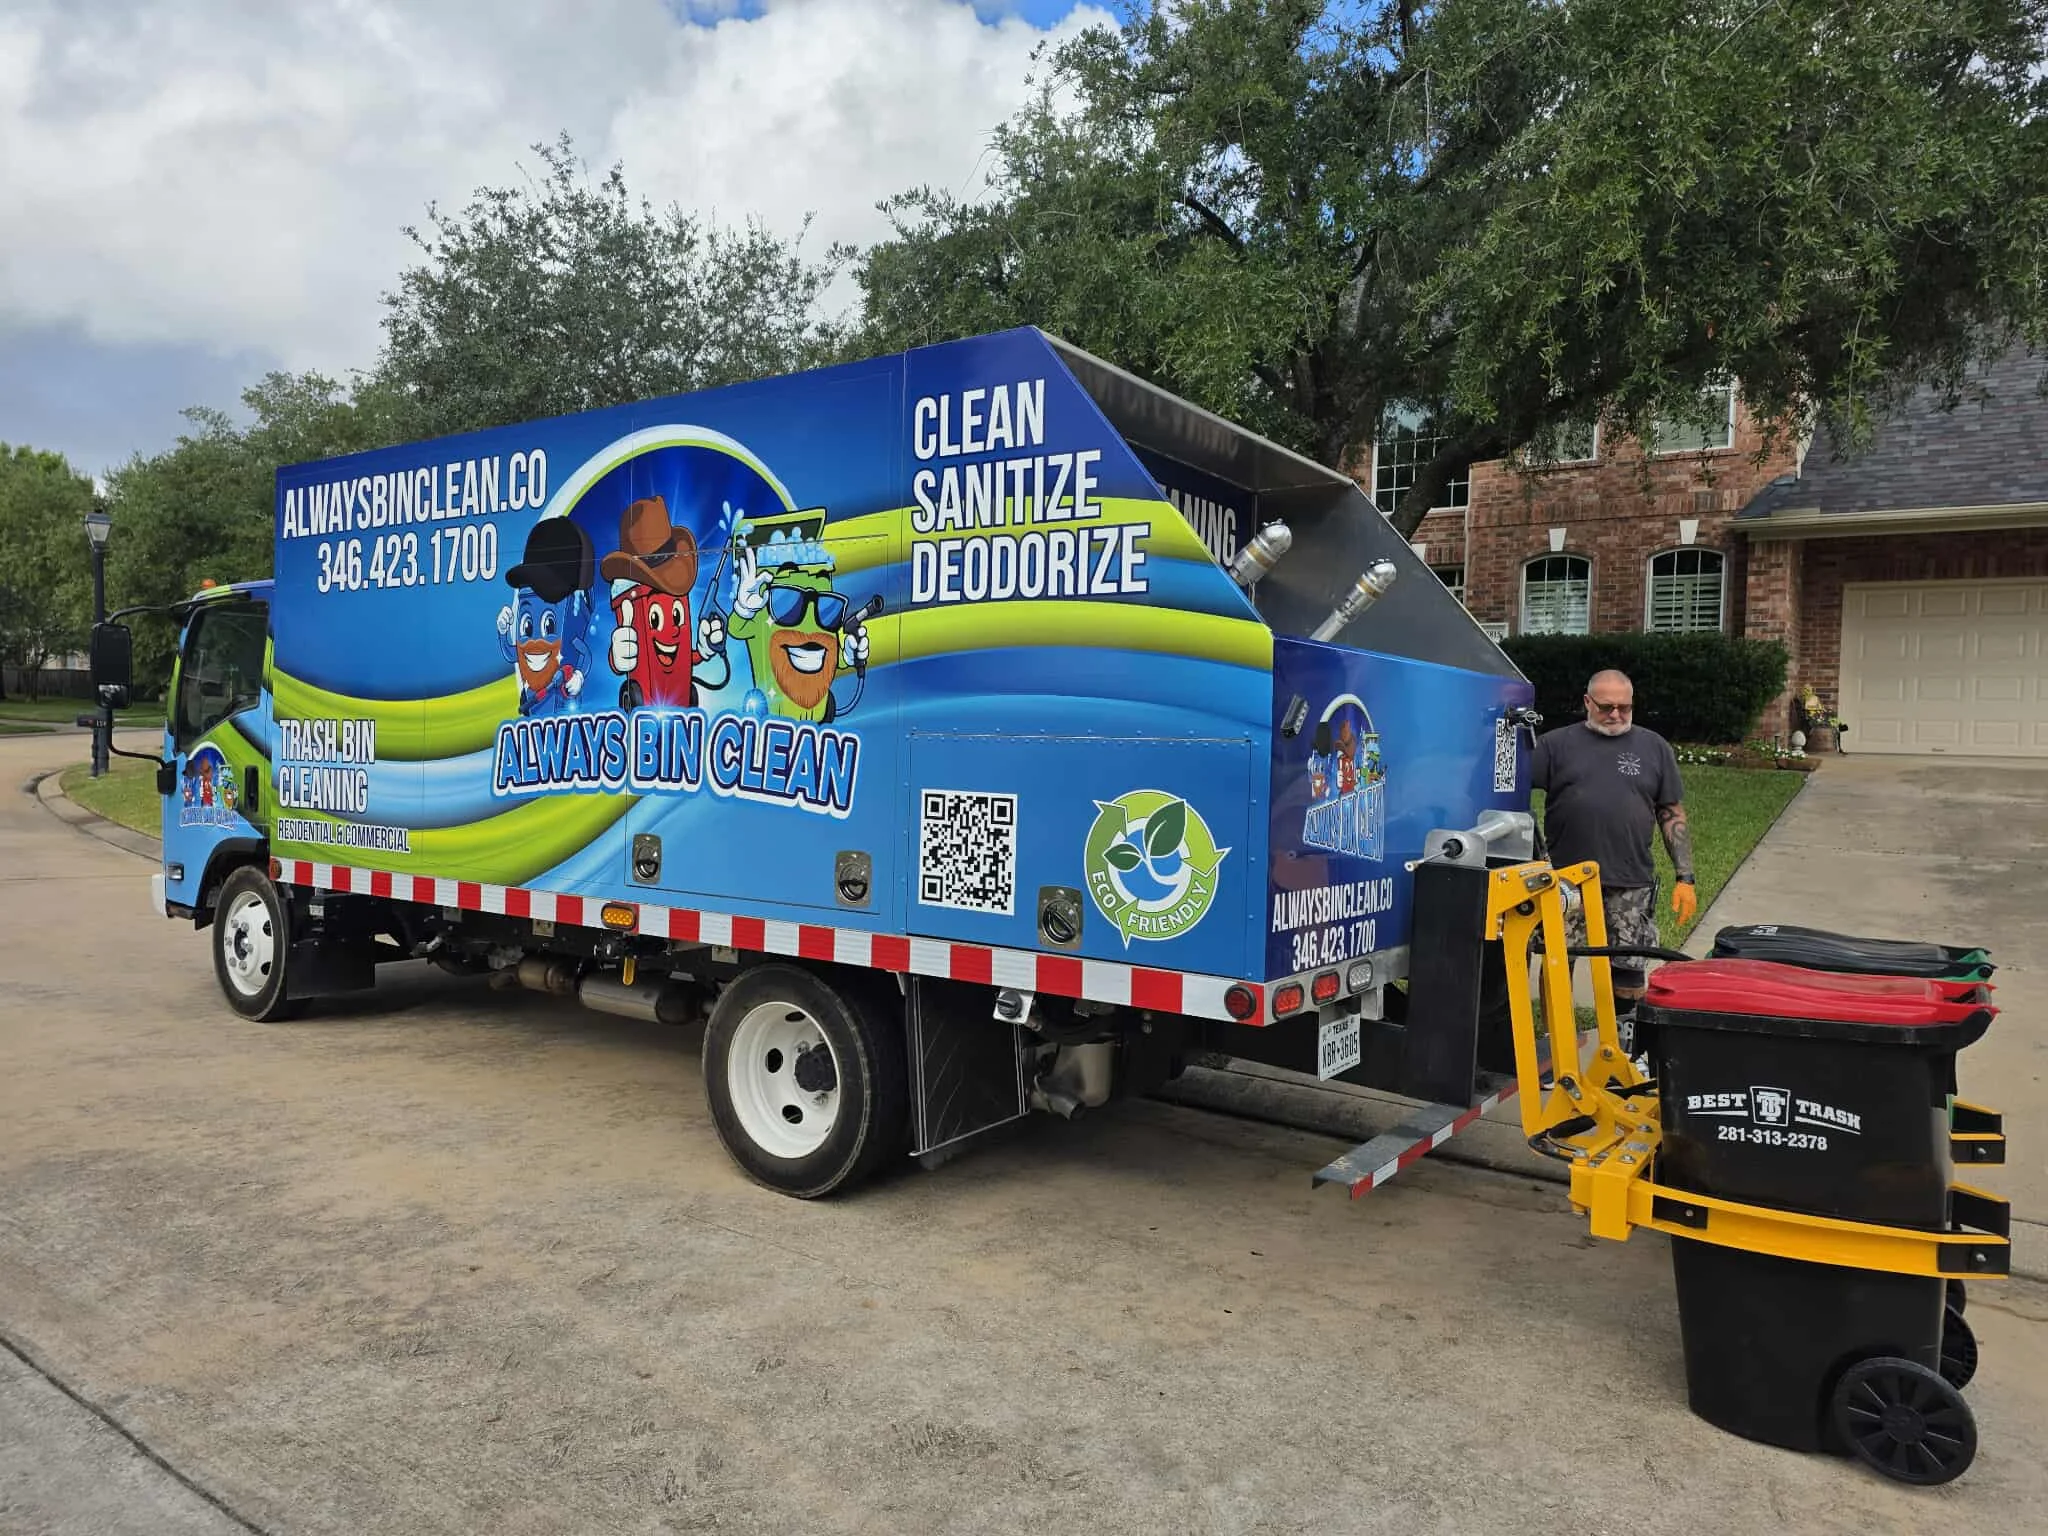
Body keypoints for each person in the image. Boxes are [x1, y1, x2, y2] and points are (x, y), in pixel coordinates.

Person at [1530, 669, 1697, 1046]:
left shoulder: (1654, 747)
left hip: (1630, 879)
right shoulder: (1555, 746)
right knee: (1558, 959)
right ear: (1587, 703)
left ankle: (1625, 1043)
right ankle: (1556, 1040)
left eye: (1625, 707)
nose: (1616, 715)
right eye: (1606, 707)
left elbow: (1671, 812)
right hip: (1566, 880)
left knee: (1628, 965)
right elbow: (1509, 789)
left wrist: (1685, 877)